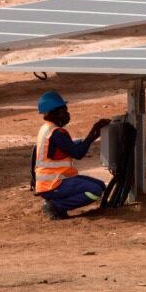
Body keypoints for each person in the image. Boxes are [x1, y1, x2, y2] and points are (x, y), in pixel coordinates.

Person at [32, 90, 111, 220]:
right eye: (64, 111)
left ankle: (57, 204)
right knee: (95, 191)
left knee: (101, 186)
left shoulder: (46, 129)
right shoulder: (56, 133)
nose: (67, 115)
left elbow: (70, 147)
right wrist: (93, 133)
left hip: (52, 182)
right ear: (54, 112)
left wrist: (93, 135)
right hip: (54, 184)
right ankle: (57, 206)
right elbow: (78, 153)